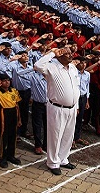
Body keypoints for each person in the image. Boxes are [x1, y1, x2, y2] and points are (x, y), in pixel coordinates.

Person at [33, 47, 82, 176]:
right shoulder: (51, 66)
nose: (70, 55)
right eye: (67, 53)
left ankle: (63, 159)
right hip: (57, 107)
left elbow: (76, 86)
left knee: (68, 135)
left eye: (71, 53)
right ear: (59, 56)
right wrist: (52, 53)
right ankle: (53, 162)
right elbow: (37, 65)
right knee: (55, 136)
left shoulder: (73, 68)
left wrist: (76, 105)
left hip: (72, 108)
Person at [0, 74, 21, 168]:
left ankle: (11, 155)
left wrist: (19, 119)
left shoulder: (13, 90)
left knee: (13, 135)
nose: (7, 82)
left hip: (13, 113)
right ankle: (3, 157)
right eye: (4, 81)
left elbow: (17, 105)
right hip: (3, 114)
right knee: (3, 136)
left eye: (8, 80)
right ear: (0, 82)